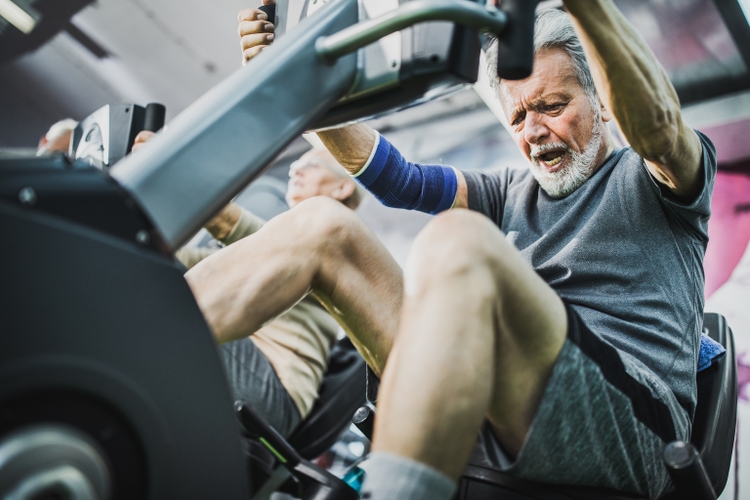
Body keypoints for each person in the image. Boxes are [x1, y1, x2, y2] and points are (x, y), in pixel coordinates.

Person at [188, 1, 716, 498]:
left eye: (553, 106)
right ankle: (139, 339)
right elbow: (396, 178)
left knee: (458, 241)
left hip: (628, 419)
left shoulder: (656, 181)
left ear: (601, 103)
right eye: (517, 118)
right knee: (323, 225)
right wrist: (291, 87)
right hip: (493, 380)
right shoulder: (512, 192)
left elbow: (661, 128)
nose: (533, 131)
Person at [134, 127, 365, 437]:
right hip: (246, 363)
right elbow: (184, 261)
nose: (296, 169)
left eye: (311, 164)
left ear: (342, 188)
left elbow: (229, 223)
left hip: (271, 392)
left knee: (158, 294)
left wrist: (175, 170)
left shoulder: (336, 241)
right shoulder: (284, 234)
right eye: (296, 164)